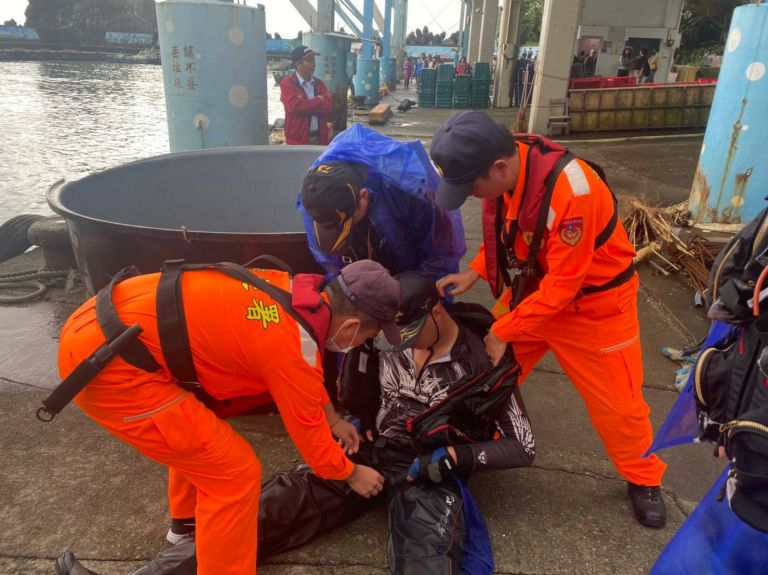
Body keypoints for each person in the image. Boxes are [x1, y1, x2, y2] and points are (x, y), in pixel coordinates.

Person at [55, 271, 535, 575]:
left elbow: (524, 446)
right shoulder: (359, 342)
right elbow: (335, 403)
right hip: (371, 450)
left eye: (407, 334)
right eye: (388, 337)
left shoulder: (487, 361)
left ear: (437, 312)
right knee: (260, 509)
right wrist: (352, 424)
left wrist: (457, 456)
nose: (398, 346)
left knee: (425, 552)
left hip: (431, 465)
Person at [429, 111, 668, 529]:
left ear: (499, 167)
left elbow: (563, 287)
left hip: (594, 308)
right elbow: (513, 235)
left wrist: (502, 330)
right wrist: (474, 272)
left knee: (619, 406)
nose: (469, 195)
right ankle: (468, 449)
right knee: (485, 376)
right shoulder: (508, 168)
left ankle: (644, 479)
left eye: (471, 186)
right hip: (533, 293)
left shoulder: (572, 193)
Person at [297, 123, 466, 282]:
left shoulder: (408, 188)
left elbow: (442, 250)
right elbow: (331, 263)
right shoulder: (317, 194)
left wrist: (416, 286)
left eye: (350, 221)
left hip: (412, 269)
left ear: (364, 196)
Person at [279, 45, 333, 145]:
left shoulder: (319, 84)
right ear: (298, 64)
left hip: (320, 139)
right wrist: (319, 100)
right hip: (298, 141)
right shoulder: (287, 83)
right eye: (309, 60)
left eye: (314, 60)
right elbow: (294, 107)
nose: (314, 64)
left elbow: (328, 107)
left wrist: (305, 106)